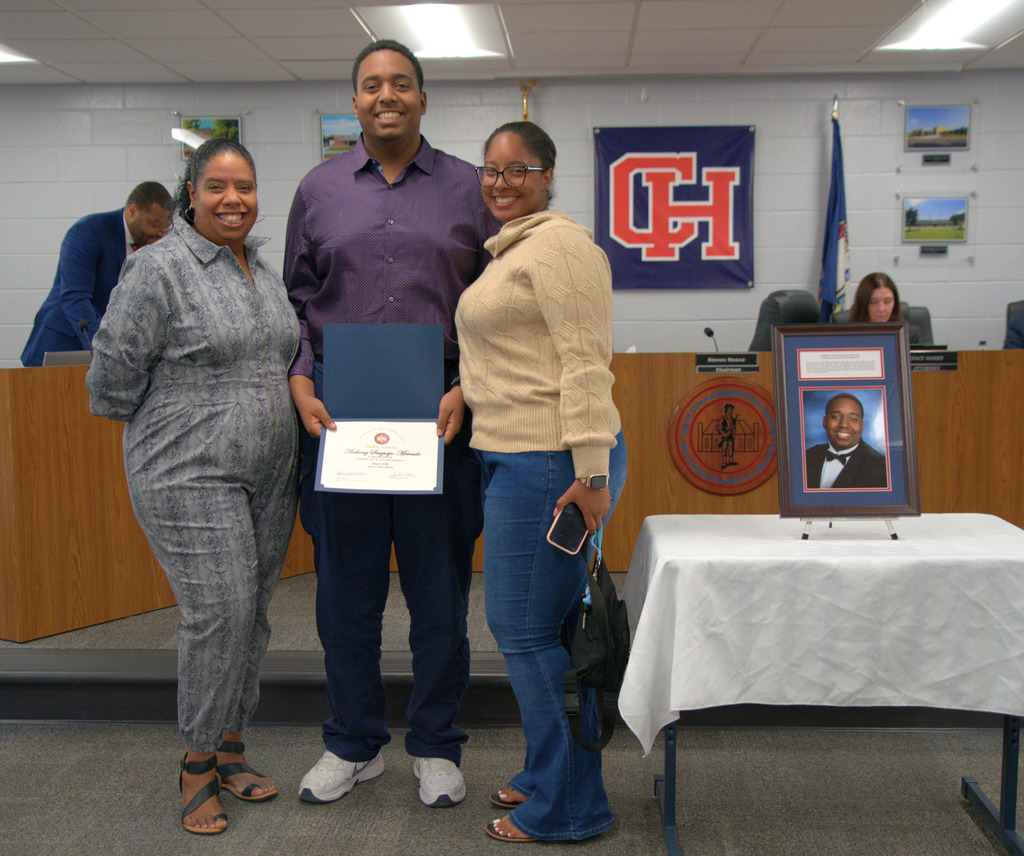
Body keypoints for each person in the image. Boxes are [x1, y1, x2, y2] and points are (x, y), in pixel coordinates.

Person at [283, 39, 497, 808]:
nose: (387, 96)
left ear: (422, 99)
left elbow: (496, 304)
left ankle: (436, 745)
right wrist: (298, 376)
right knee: (346, 596)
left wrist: (469, 384)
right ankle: (353, 741)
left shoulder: (469, 188)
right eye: (372, 85)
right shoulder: (317, 189)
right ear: (355, 102)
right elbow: (294, 303)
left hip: (441, 412)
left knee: (439, 598)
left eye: (401, 83)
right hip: (338, 413)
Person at [86, 139, 299, 835]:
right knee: (220, 611)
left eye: (245, 186)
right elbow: (110, 380)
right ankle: (198, 762)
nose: (233, 199)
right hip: (187, 469)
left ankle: (232, 744)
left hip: (269, 473)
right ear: (190, 192)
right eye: (216, 187)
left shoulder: (260, 270)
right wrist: (187, 414)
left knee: (252, 612)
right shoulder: (158, 268)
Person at [455, 121, 627, 842]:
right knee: (548, 629)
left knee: (523, 633)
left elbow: (586, 364)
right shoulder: (513, 249)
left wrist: (591, 472)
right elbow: (520, 356)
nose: (501, 183)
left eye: (517, 170)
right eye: (491, 171)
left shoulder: (560, 247)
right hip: (520, 454)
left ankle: (570, 805)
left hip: (553, 461)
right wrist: (463, 391)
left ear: (547, 175)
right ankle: (547, 773)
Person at [21, 181, 173, 366]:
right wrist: (106, 350)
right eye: (156, 223)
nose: (161, 232)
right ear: (133, 211)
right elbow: (76, 299)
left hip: (112, 354)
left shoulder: (152, 247)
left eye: (166, 226)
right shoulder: (88, 232)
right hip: (64, 343)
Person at [805, 392, 887, 489]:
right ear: (825, 422)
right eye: (836, 417)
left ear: (862, 426)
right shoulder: (807, 456)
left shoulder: (881, 466)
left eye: (853, 419)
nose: (844, 425)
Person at [847, 272, 929, 345]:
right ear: (863, 304)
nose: (881, 309)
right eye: (874, 302)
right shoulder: (848, 335)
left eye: (887, 301)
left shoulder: (910, 335)